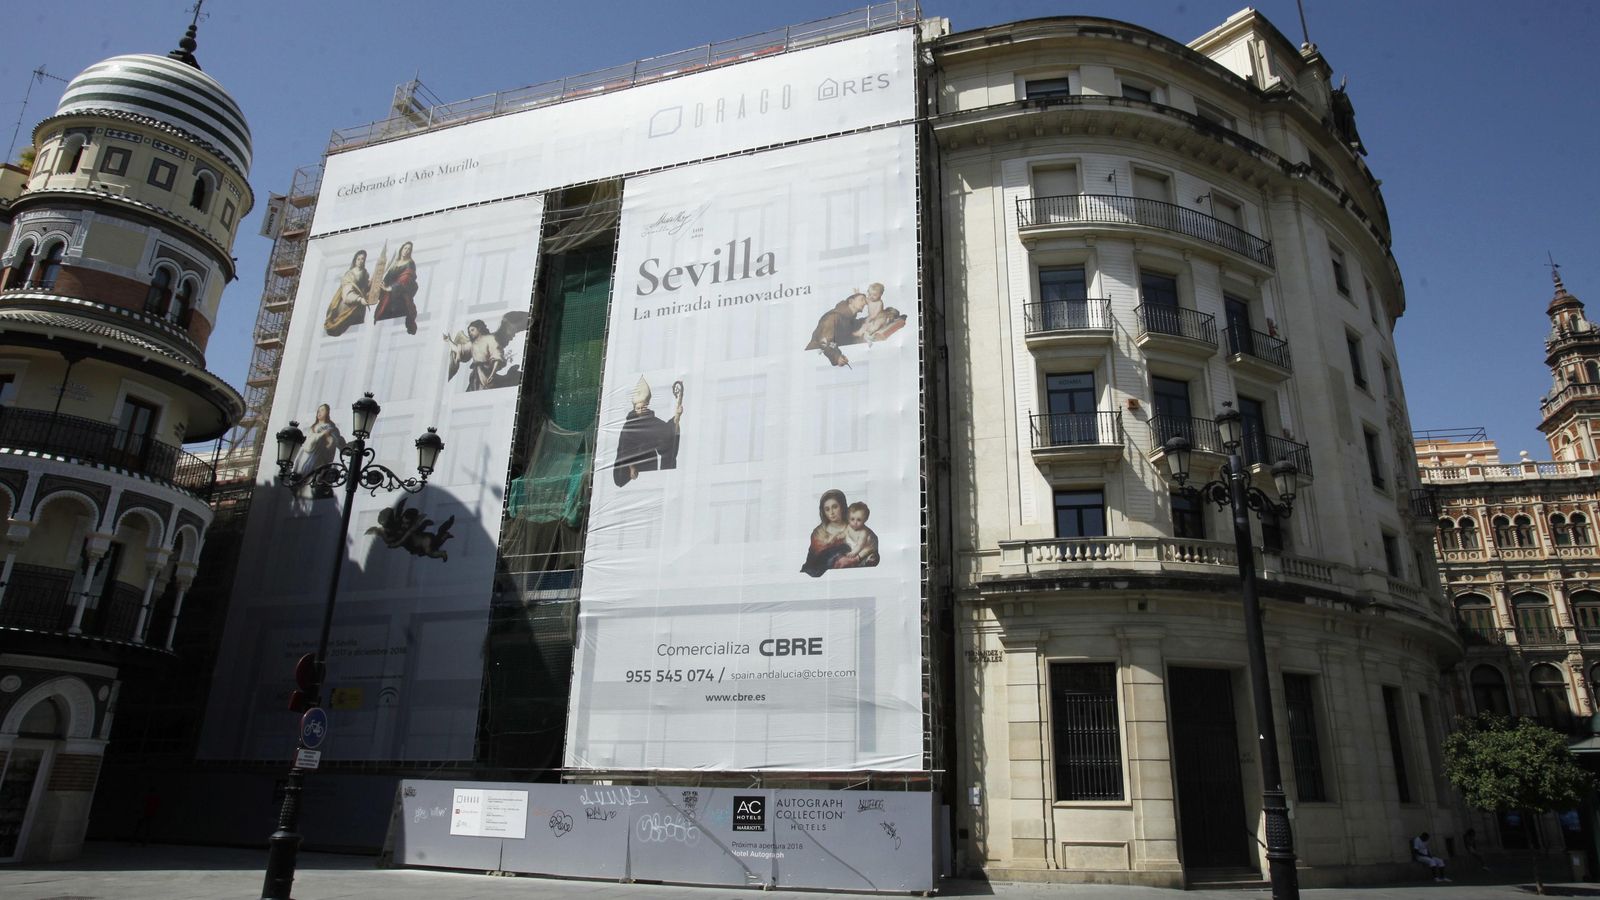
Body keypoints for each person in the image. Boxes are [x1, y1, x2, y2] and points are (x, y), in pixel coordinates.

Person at [612, 377, 682, 486]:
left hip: (650, 464)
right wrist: (630, 468)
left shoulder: (653, 422)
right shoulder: (628, 426)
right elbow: (623, 451)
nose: (640, 411)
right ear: (634, 408)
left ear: (646, 406)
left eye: (642, 408)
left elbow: (666, 433)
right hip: (633, 472)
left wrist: (676, 418)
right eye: (638, 408)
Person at [805, 292, 868, 366]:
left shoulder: (847, 319)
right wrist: (837, 356)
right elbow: (824, 341)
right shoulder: (833, 317)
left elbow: (857, 324)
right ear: (851, 301)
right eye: (862, 300)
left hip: (822, 357)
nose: (865, 303)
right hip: (815, 358)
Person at [298, 403, 346, 499]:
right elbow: (307, 443)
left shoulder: (331, 428)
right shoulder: (313, 427)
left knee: (320, 474)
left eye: (322, 410)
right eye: (318, 411)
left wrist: (328, 436)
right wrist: (319, 435)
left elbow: (336, 442)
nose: (319, 412)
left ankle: (316, 488)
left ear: (327, 412)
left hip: (323, 457)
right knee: (307, 473)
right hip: (310, 456)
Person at [443, 319, 504, 391]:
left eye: (472, 330)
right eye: (469, 331)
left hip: (487, 372)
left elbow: (497, 356)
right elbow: (459, 349)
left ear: (479, 329)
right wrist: (448, 341)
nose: (470, 333)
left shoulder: (490, 339)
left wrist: (492, 374)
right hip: (476, 375)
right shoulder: (472, 343)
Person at [801, 490, 851, 577]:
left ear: (842, 507)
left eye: (835, 507)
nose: (831, 513)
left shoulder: (855, 527)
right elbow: (812, 562)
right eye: (827, 509)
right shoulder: (818, 533)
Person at [374, 241, 420, 334]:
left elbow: (406, 278)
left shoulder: (410, 263)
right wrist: (381, 284)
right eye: (405, 248)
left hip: (400, 297)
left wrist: (391, 288)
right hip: (387, 297)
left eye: (409, 249)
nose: (406, 251)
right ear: (401, 249)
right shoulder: (395, 263)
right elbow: (388, 277)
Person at [323, 249, 371, 337]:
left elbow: (365, 288)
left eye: (363, 259)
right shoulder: (350, 275)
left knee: (356, 333)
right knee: (347, 331)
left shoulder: (365, 273)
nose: (361, 261)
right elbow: (346, 296)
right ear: (355, 261)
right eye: (358, 259)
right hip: (346, 308)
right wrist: (360, 299)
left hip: (358, 308)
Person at [837, 501, 880, 568]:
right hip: (854, 547)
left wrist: (853, 553)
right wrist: (840, 536)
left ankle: (868, 560)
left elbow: (860, 545)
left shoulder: (863, 532)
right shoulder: (849, 527)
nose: (855, 522)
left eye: (859, 520)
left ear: (865, 520)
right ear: (848, 518)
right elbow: (844, 533)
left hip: (866, 549)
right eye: (852, 519)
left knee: (870, 559)